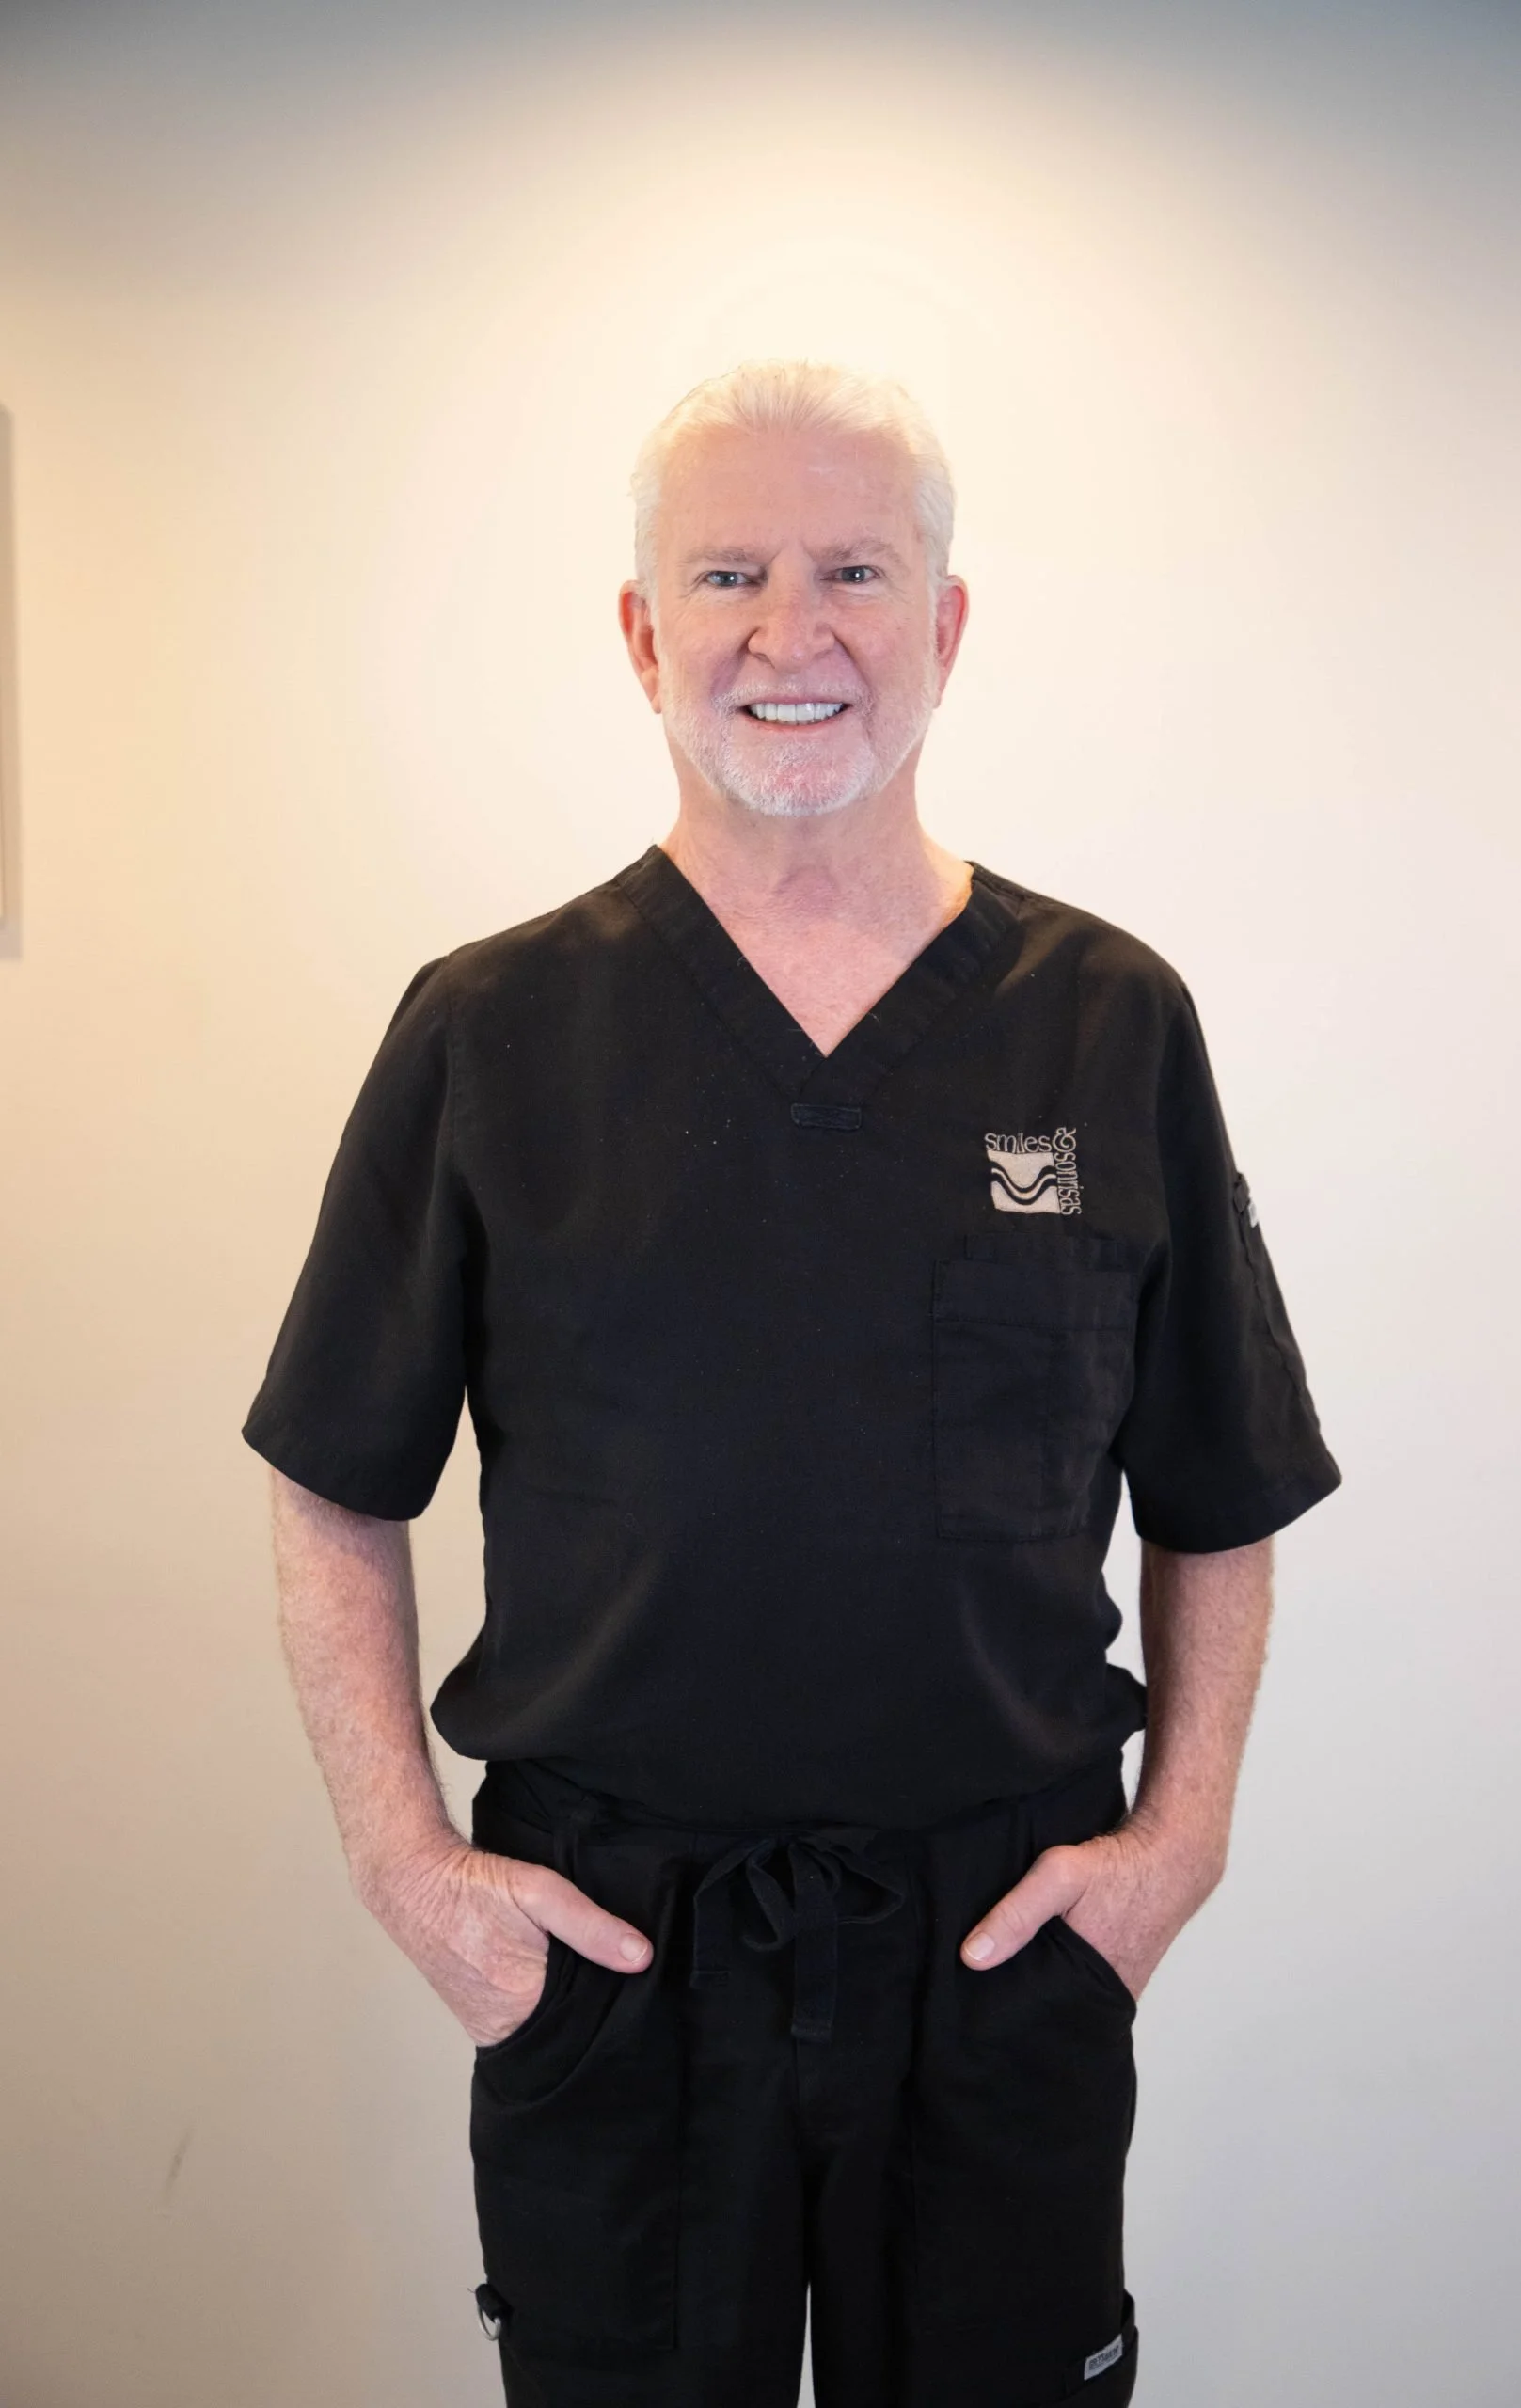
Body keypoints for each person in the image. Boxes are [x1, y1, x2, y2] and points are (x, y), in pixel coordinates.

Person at [244, 359, 1340, 2408]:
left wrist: (1174, 1842)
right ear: (642, 632)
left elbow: (1221, 1485)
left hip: (999, 1939)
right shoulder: (490, 1029)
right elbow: (333, 1477)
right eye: (727, 572)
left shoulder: (1106, 1024)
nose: (790, 630)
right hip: (620, 1947)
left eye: (853, 569)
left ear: (945, 622)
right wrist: (410, 1864)